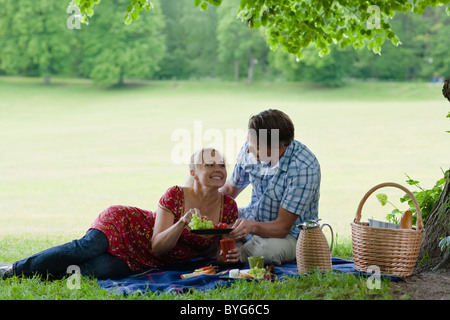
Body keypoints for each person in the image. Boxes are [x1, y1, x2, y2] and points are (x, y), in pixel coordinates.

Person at [0, 148, 240, 280]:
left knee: (97, 271)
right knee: (86, 248)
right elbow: (158, 246)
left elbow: (217, 249)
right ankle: (13, 270)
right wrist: (182, 224)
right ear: (194, 172)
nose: (218, 169)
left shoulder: (228, 207)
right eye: (209, 165)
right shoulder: (175, 195)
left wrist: (222, 259)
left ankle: (37, 271)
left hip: (143, 260)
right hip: (126, 225)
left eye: (222, 165)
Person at [221, 109, 321, 265]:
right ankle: (239, 249)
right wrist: (205, 204)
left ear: (279, 148)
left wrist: (250, 226)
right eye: (249, 142)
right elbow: (229, 191)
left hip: (291, 235)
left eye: (256, 146)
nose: (248, 150)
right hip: (254, 221)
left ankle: (236, 253)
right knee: (217, 225)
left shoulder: (304, 168)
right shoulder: (251, 149)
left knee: (267, 251)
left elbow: (282, 228)